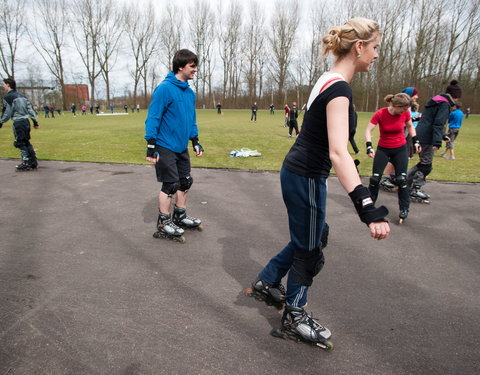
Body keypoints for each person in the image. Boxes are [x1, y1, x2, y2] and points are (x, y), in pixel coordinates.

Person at [247, 18, 389, 349]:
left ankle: (268, 280)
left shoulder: (329, 79)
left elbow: (329, 145)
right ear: (359, 47)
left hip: (300, 173)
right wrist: (367, 207)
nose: (377, 55)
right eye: (375, 47)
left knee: (313, 235)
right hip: (306, 177)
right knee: (310, 250)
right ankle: (294, 316)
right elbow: (338, 153)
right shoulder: (339, 88)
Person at [144, 49, 204, 241]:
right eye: (192, 66)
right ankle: (164, 223)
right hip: (164, 145)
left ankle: (180, 216)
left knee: (185, 182)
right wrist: (151, 144)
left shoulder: (190, 93)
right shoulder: (164, 89)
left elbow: (191, 119)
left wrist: (195, 140)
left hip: (181, 146)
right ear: (181, 66)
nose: (195, 70)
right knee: (170, 184)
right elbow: (153, 116)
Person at [365, 93, 420, 222]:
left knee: (401, 179)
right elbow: (368, 130)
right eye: (402, 109)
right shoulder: (381, 113)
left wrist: (416, 141)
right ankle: (369, 206)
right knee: (375, 178)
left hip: (400, 149)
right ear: (394, 105)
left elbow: (410, 126)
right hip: (383, 149)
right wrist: (369, 146)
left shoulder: (405, 113)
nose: (405, 112)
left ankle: (404, 208)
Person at [406, 88, 457, 202]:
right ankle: (415, 189)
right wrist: (437, 141)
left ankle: (406, 182)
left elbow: (429, 120)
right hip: (427, 137)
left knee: (423, 163)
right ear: (455, 97)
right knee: (426, 166)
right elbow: (438, 123)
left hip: (421, 133)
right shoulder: (444, 104)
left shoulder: (434, 101)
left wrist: (442, 135)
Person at [379, 86, 419, 191]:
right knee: (393, 159)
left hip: (403, 136)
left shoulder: (408, 107)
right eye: (415, 94)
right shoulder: (402, 106)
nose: (417, 96)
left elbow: (408, 122)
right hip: (397, 137)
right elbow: (401, 121)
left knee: (398, 160)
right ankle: (387, 178)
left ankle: (393, 178)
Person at [0, 78, 39, 171]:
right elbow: (30, 110)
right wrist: (35, 122)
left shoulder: (8, 98)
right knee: (26, 141)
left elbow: (7, 112)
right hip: (26, 122)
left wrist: (1, 122)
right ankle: (32, 161)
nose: (3, 86)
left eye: (4, 84)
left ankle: (25, 162)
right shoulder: (23, 96)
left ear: (8, 85)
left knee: (20, 142)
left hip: (18, 122)